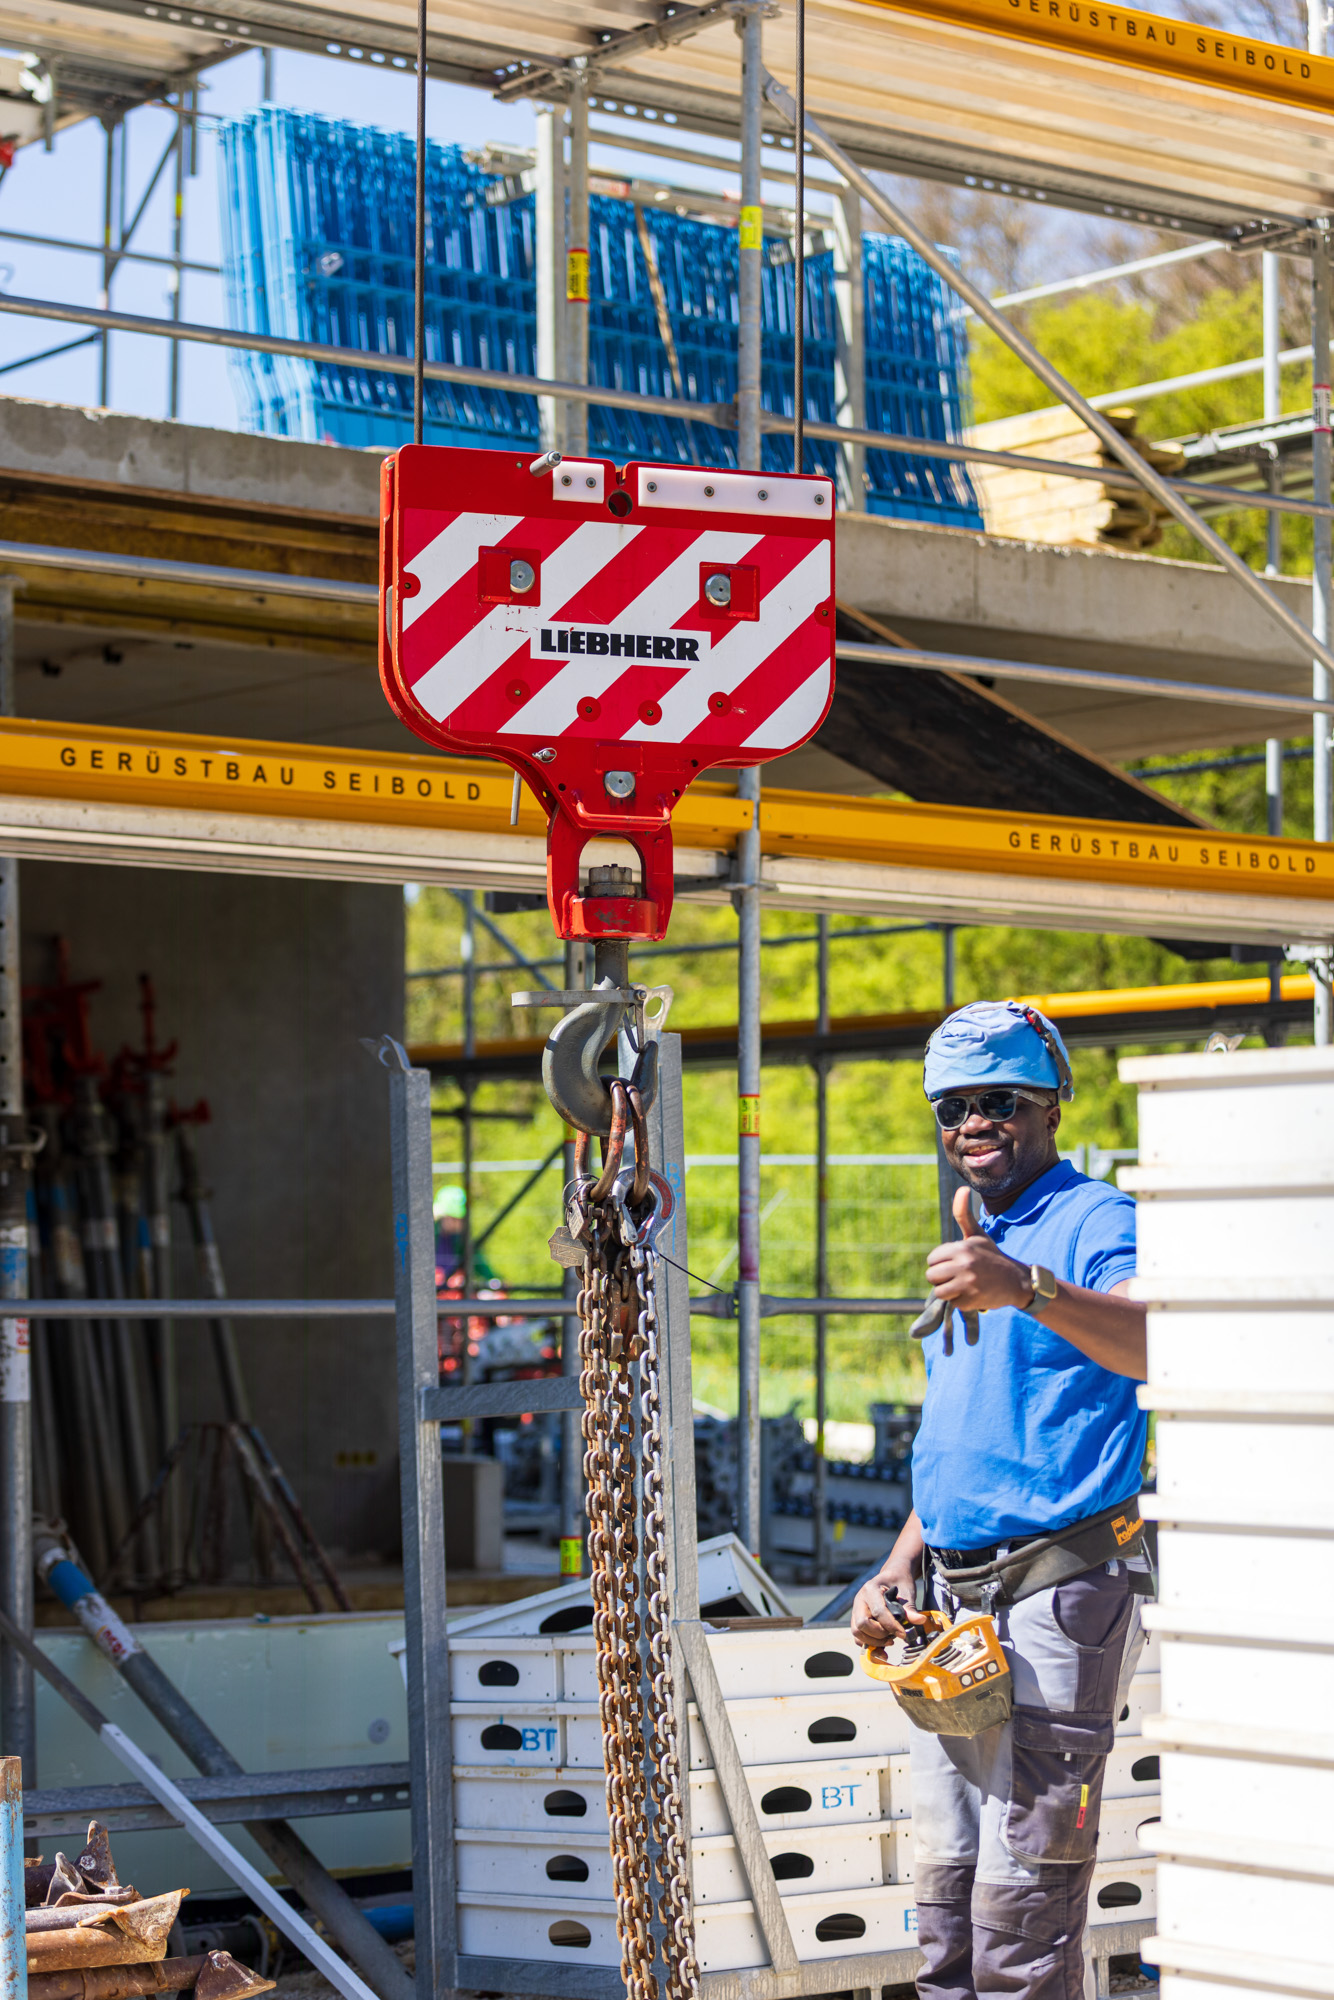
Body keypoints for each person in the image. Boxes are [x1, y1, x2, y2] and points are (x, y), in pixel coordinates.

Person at [851, 1000, 1150, 2000]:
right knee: (943, 1900)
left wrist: (1026, 1286)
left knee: (1021, 1908)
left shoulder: (1092, 1220)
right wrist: (898, 1561)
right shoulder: (973, 1237)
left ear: (1049, 1105)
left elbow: (1160, 1343)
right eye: (951, 1108)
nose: (970, 1123)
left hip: (1055, 1588)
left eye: (997, 1101)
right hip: (948, 1600)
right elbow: (964, 1426)